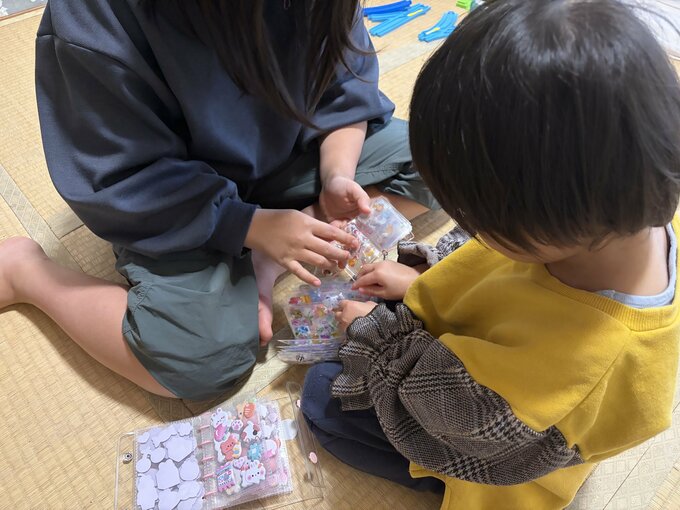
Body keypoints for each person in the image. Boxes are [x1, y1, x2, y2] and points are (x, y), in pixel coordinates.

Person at [300, 0, 680, 508]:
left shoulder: (577, 366)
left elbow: (459, 417)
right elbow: (500, 277)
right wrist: (422, 280)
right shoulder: (612, 215)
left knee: (321, 397)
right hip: (496, 377)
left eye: (475, 218)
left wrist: (376, 337)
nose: (469, 228)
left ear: (539, 226)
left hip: (492, 449)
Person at [0, 0, 437, 400]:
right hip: (178, 201)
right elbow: (123, 178)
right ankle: (28, 273)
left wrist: (335, 174)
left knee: (443, 157)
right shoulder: (96, 20)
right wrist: (247, 225)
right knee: (201, 361)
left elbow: (344, 89)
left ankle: (275, 252)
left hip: (288, 157)